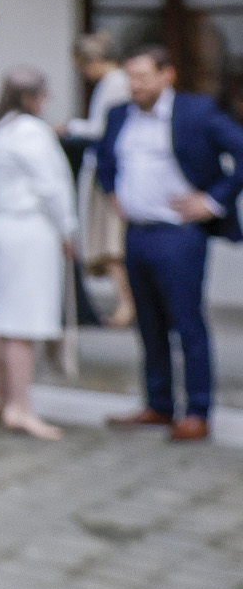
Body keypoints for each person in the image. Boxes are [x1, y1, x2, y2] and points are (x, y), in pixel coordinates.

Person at [96, 45, 243, 444]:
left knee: (187, 323)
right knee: (148, 323)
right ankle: (159, 404)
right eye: (130, 77)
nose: (135, 85)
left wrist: (213, 201)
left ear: (168, 75)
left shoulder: (196, 112)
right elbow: (104, 158)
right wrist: (112, 192)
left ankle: (197, 411)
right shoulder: (119, 114)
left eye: (143, 77)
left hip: (178, 233)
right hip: (136, 232)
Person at [0, 66, 79, 442]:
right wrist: (67, 229)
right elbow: (52, 187)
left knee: (3, 318)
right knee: (23, 322)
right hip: (28, 229)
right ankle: (20, 406)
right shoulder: (32, 132)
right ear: (33, 97)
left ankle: (0, 395)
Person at [65, 32, 134, 326]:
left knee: (111, 242)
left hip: (110, 171)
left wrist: (69, 127)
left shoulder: (114, 83)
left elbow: (101, 129)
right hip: (111, 169)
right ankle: (129, 304)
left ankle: (127, 305)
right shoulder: (115, 82)